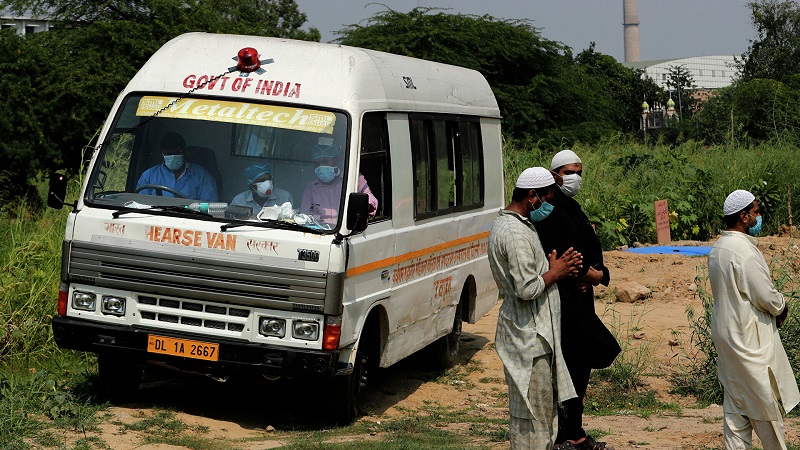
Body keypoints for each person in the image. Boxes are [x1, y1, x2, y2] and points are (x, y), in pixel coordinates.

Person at [488, 166, 583, 449]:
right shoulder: (514, 234)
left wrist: (551, 266)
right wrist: (557, 271)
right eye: (546, 199)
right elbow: (526, 288)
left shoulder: (517, 225)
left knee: (539, 415)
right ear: (532, 196)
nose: (548, 206)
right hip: (529, 339)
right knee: (534, 418)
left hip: (533, 336)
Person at [533, 150, 620, 450]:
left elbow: (590, 248)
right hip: (563, 301)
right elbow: (557, 255)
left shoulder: (575, 210)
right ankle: (566, 433)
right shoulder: (548, 212)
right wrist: (588, 276)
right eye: (569, 172)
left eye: (579, 172)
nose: (575, 178)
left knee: (581, 364)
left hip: (582, 299)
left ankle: (574, 430)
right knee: (569, 365)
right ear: (555, 174)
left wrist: (597, 272)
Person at [709, 189, 800, 450]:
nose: (759, 217)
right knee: (766, 412)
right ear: (744, 216)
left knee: (736, 413)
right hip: (749, 342)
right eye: (756, 212)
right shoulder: (743, 253)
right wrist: (782, 307)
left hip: (728, 340)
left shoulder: (719, 248)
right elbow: (766, 296)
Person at [300, 143, 378, 224]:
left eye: (325, 162)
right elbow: (306, 214)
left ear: (336, 160)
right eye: (317, 164)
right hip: (321, 231)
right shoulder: (311, 187)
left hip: (346, 230)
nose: (321, 167)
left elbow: (371, 199)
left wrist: (363, 207)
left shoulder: (353, 179)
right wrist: (315, 219)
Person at [136, 132, 219, 202]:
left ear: (184, 152)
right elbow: (139, 205)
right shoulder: (149, 176)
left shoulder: (201, 176)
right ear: (161, 153)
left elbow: (210, 207)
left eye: (176, 153)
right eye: (168, 154)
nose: (172, 157)